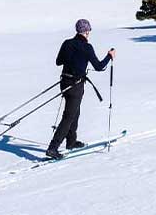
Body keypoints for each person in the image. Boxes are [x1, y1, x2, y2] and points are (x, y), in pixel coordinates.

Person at [46, 19, 116, 160]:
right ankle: (53, 148)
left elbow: (58, 61)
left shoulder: (67, 43)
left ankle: (71, 142)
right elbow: (99, 66)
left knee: (74, 112)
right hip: (75, 85)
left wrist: (72, 59)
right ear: (87, 31)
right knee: (68, 117)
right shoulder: (86, 47)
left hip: (64, 82)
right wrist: (109, 56)